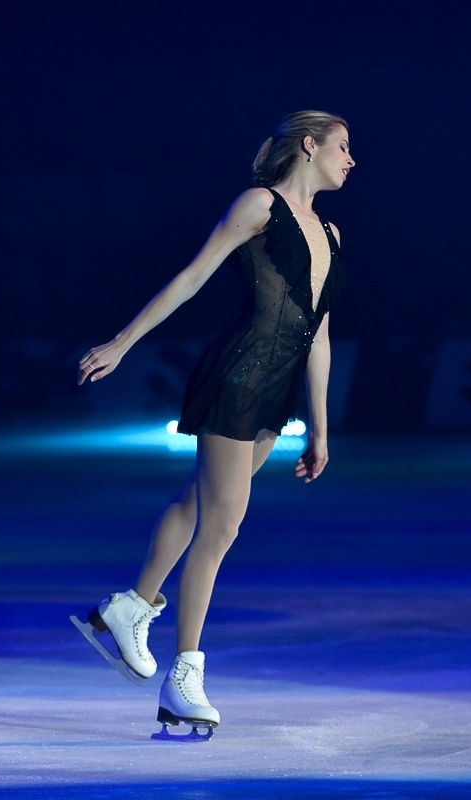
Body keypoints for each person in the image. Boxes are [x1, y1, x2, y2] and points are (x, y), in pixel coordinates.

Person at [77, 110, 355, 732]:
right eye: (342, 146)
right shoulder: (260, 205)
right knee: (222, 526)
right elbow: (194, 275)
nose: (351, 159)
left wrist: (320, 426)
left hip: (275, 393)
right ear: (308, 147)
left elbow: (320, 337)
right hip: (237, 377)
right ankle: (185, 676)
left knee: (197, 502)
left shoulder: (332, 235)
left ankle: (131, 606)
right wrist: (122, 342)